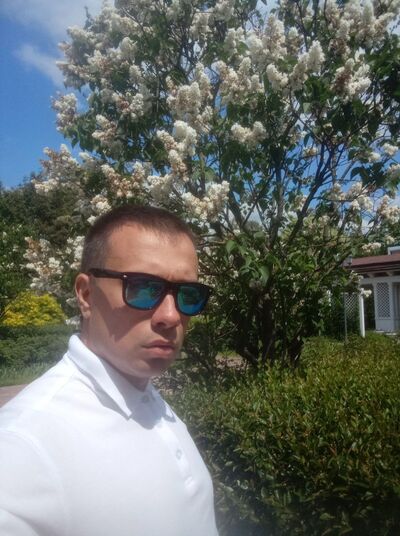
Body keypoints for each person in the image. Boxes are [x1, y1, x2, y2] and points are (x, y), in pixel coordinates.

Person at [0, 205, 219, 536]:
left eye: (187, 294)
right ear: (86, 295)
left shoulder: (147, 396)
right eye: (143, 288)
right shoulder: (23, 446)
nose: (171, 316)